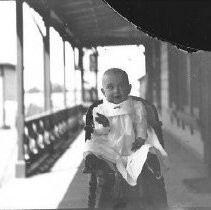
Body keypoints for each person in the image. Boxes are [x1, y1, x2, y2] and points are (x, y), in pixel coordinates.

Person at [83, 68, 169, 186]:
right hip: (110, 148)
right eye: (110, 87)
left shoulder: (136, 106)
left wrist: (140, 138)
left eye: (121, 86)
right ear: (103, 92)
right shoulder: (99, 110)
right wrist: (104, 125)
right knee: (90, 146)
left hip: (132, 147)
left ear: (129, 88)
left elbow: (141, 123)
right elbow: (100, 133)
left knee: (147, 149)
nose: (116, 91)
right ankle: (93, 162)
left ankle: (151, 163)